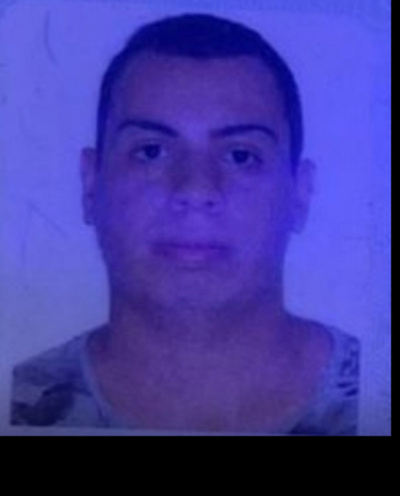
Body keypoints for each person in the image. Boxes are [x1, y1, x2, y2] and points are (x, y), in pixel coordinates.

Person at [10, 13, 360, 435]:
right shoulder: (18, 405)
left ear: (299, 195)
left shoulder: (377, 392)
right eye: (151, 151)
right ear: (91, 185)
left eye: (241, 156)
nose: (195, 190)